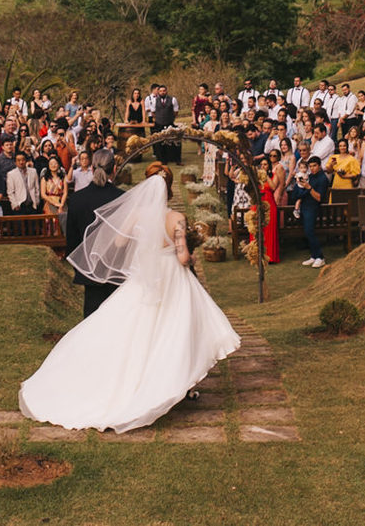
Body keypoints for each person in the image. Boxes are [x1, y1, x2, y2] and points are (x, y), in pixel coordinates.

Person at [19, 162, 240, 433]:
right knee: (175, 328)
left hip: (145, 278)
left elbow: (120, 243)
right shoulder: (176, 219)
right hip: (170, 276)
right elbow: (183, 257)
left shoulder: (136, 215)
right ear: (169, 190)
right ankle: (178, 385)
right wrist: (189, 252)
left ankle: (144, 380)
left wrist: (143, 244)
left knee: (139, 328)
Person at [64, 152, 126, 317]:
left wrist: (81, 266)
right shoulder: (122, 198)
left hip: (89, 268)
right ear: (114, 169)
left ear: (91, 168)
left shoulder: (77, 199)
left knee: (91, 318)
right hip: (115, 269)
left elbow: (72, 239)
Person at [290, 155, 331, 268]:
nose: (312, 168)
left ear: (319, 166)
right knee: (307, 232)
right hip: (304, 206)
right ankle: (314, 256)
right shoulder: (310, 177)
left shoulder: (323, 179)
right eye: (310, 166)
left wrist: (308, 187)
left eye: (314, 166)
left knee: (309, 232)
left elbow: (319, 197)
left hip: (313, 208)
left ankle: (320, 257)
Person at [255, 159, 280, 264]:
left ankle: (270, 257)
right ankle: (257, 256)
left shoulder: (274, 175)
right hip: (258, 204)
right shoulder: (257, 177)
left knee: (270, 230)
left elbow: (273, 187)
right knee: (258, 230)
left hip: (270, 204)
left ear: (269, 166)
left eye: (265, 164)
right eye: (261, 165)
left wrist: (266, 176)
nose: (263, 166)